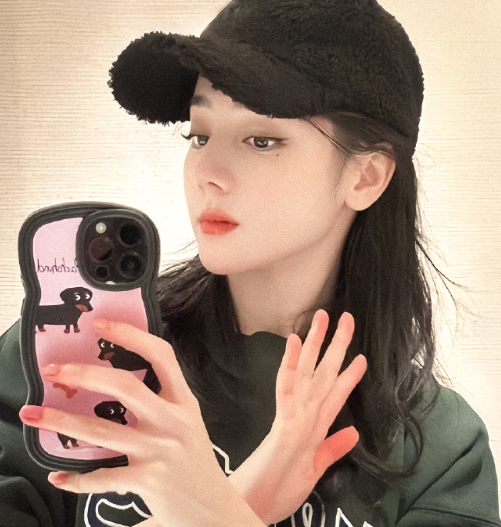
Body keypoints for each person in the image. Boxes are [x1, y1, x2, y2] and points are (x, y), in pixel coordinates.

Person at [0, 0, 500, 525]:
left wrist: (217, 513)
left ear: (366, 177)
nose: (207, 172)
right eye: (199, 135)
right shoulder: (68, 361)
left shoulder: (440, 451)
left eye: (261, 140)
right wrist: (241, 500)